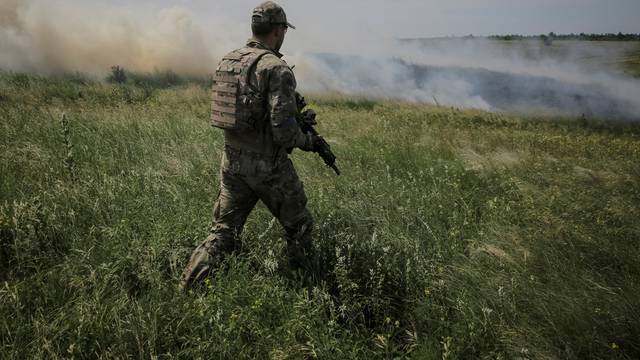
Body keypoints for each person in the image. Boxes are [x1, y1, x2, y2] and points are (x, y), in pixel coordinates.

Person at [180, 1, 318, 291]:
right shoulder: (276, 69)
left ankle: (188, 289)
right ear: (278, 31)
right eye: (283, 29)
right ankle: (307, 292)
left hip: (232, 161)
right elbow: (283, 132)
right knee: (300, 228)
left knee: (223, 233)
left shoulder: (228, 60)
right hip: (268, 167)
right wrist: (308, 142)